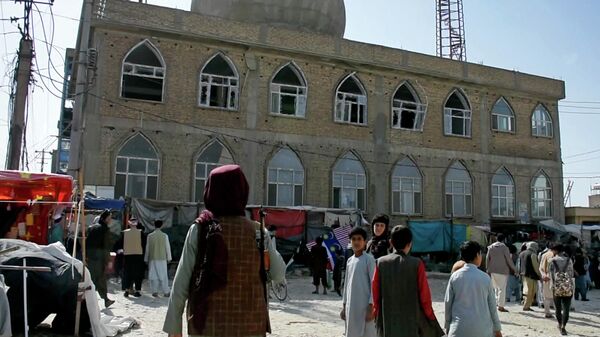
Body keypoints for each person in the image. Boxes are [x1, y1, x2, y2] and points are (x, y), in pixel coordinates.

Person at [163, 165, 274, 337]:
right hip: (251, 325)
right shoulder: (258, 231)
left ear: (210, 191)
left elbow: (181, 283)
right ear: (242, 191)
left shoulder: (200, 230)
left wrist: (174, 327)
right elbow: (278, 272)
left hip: (209, 325)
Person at [372, 225, 443, 337]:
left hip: (387, 321)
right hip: (411, 322)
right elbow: (425, 298)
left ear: (391, 242)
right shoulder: (417, 264)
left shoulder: (380, 263)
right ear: (410, 243)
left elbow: (375, 295)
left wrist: (376, 315)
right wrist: (431, 318)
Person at [445, 241, 502, 337]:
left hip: (458, 329)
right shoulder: (485, 278)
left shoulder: (455, 276)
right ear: (477, 255)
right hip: (482, 331)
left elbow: (448, 303)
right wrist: (497, 329)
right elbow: (492, 307)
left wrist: (447, 326)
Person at [340, 227, 376, 337]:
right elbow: (347, 285)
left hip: (365, 306)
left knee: (367, 332)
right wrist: (344, 306)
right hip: (351, 306)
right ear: (350, 242)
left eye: (359, 239)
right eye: (353, 239)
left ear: (364, 241)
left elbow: (374, 285)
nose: (356, 242)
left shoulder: (369, 260)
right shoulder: (350, 261)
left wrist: (371, 307)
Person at [86, 209, 115, 308]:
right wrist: (108, 260)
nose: (111, 220)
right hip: (98, 257)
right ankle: (104, 300)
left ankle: (100, 299)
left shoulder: (91, 228)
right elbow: (106, 247)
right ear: (106, 218)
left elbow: (86, 242)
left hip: (90, 256)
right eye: (110, 218)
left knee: (92, 278)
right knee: (99, 279)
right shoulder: (105, 229)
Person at [486, 234, 516, 312]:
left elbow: (487, 258)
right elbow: (508, 259)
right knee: (502, 289)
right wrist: (514, 269)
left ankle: (496, 303)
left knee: (495, 287)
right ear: (504, 239)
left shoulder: (491, 247)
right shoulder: (504, 248)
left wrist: (487, 268)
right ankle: (501, 306)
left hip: (492, 270)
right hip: (503, 270)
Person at [549, 244, 575, 336]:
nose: (551, 252)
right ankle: (564, 326)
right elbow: (571, 274)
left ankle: (559, 324)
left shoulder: (552, 261)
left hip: (556, 287)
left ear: (556, 250)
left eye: (552, 250)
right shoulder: (569, 260)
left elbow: (551, 275)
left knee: (558, 308)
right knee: (566, 308)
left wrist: (552, 286)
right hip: (568, 286)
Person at [145, 219, 172, 297]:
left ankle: (154, 291)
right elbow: (167, 247)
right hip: (162, 258)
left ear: (154, 225)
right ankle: (166, 291)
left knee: (154, 275)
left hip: (152, 258)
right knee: (163, 275)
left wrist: (146, 259)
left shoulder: (150, 236)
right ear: (162, 225)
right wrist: (169, 258)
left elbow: (147, 248)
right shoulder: (165, 236)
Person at [121, 217, 145, 298]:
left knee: (128, 273)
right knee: (138, 273)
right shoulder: (141, 233)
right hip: (138, 255)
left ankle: (127, 290)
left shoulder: (124, 233)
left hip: (127, 255)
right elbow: (144, 245)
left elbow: (120, 244)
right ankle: (137, 290)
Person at [519, 241, 541, 311]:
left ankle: (526, 305)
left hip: (523, 274)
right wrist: (539, 275)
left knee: (526, 290)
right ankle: (526, 306)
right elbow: (536, 266)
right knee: (531, 291)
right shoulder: (533, 254)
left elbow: (519, 264)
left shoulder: (521, 253)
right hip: (531, 275)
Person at [539, 243, 557, 318]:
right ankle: (557, 312)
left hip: (547, 276)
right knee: (556, 296)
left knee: (546, 296)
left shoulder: (544, 255)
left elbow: (541, 267)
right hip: (556, 276)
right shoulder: (558, 255)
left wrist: (543, 275)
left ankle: (547, 312)